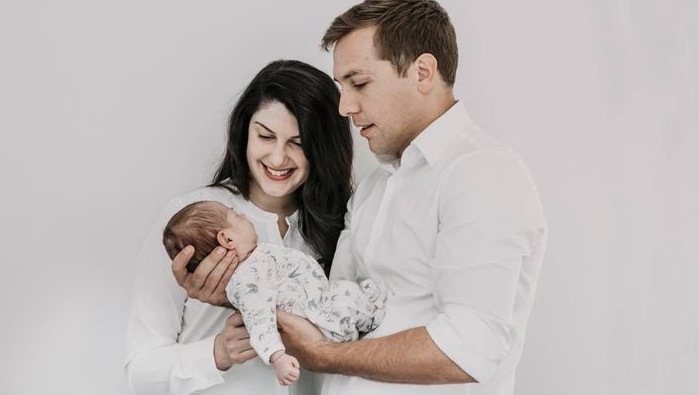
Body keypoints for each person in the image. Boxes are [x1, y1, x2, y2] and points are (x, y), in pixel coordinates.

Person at [272, 1, 548, 395]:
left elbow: (469, 348)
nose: (345, 107)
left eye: (360, 83)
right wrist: (237, 290)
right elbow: (331, 312)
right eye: (341, 88)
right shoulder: (373, 189)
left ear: (422, 72)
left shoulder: (482, 174)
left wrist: (326, 356)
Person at [125, 59, 354, 395]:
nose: (278, 158)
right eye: (265, 136)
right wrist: (217, 352)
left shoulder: (341, 225)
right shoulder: (189, 221)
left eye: (299, 142)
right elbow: (140, 372)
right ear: (244, 132)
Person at [161, 200, 386, 386]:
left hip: (321, 298)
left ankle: (373, 307)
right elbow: (259, 320)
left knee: (350, 295)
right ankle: (374, 311)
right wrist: (277, 356)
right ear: (227, 239)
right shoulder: (246, 282)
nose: (246, 217)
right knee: (350, 304)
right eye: (238, 216)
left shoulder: (255, 257)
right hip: (320, 315)